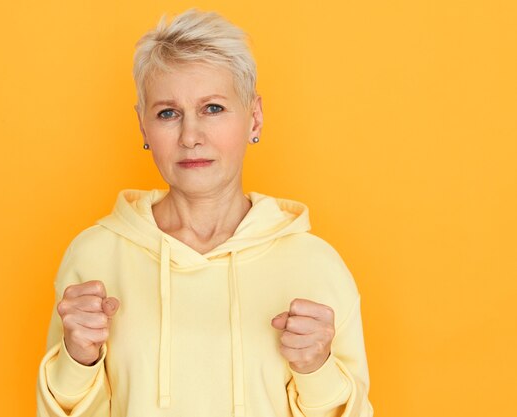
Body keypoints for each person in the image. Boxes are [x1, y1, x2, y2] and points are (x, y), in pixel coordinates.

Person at [36, 8, 373, 417]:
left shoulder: (316, 265)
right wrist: (77, 360)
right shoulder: (93, 257)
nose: (191, 136)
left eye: (213, 108)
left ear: (254, 116)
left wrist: (317, 370)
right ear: (144, 128)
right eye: (168, 113)